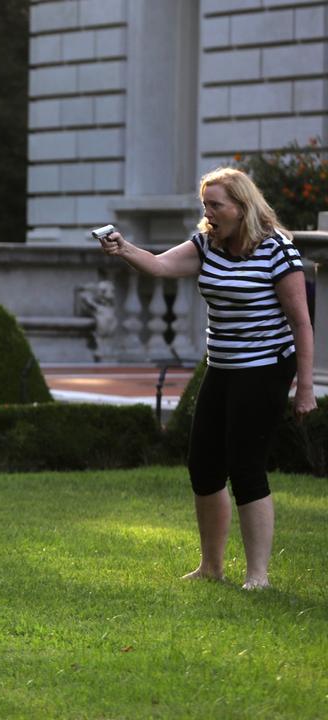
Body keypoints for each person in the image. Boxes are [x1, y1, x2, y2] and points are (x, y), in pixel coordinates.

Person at [99, 166, 314, 590]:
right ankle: (211, 567)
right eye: (205, 205)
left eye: (216, 205)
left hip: (267, 367)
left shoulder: (277, 251)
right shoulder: (206, 244)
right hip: (222, 366)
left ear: (241, 206)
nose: (208, 213)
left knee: (246, 465)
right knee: (204, 465)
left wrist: (304, 387)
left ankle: (258, 576)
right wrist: (122, 248)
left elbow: (302, 323)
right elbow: (159, 266)